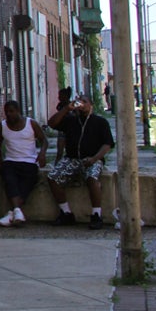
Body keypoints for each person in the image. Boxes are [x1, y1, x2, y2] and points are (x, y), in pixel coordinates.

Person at [47, 95, 112, 229]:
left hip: (92, 159)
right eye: (79, 101)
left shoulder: (100, 122)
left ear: (91, 104)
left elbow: (107, 144)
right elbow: (52, 123)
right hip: (72, 158)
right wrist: (66, 109)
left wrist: (94, 159)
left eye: (85, 102)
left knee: (92, 178)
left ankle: (96, 215)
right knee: (53, 177)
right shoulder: (71, 121)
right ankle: (66, 213)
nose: (81, 104)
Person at [0, 100, 47, 227]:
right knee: (9, 180)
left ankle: (12, 213)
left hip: (29, 161)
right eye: (6, 112)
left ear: (18, 111)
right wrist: (0, 162)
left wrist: (42, 154)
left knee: (28, 182)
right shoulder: (2, 126)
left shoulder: (31, 123)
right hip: (11, 161)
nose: (9, 115)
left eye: (11, 111)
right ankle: (17, 212)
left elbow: (44, 140)